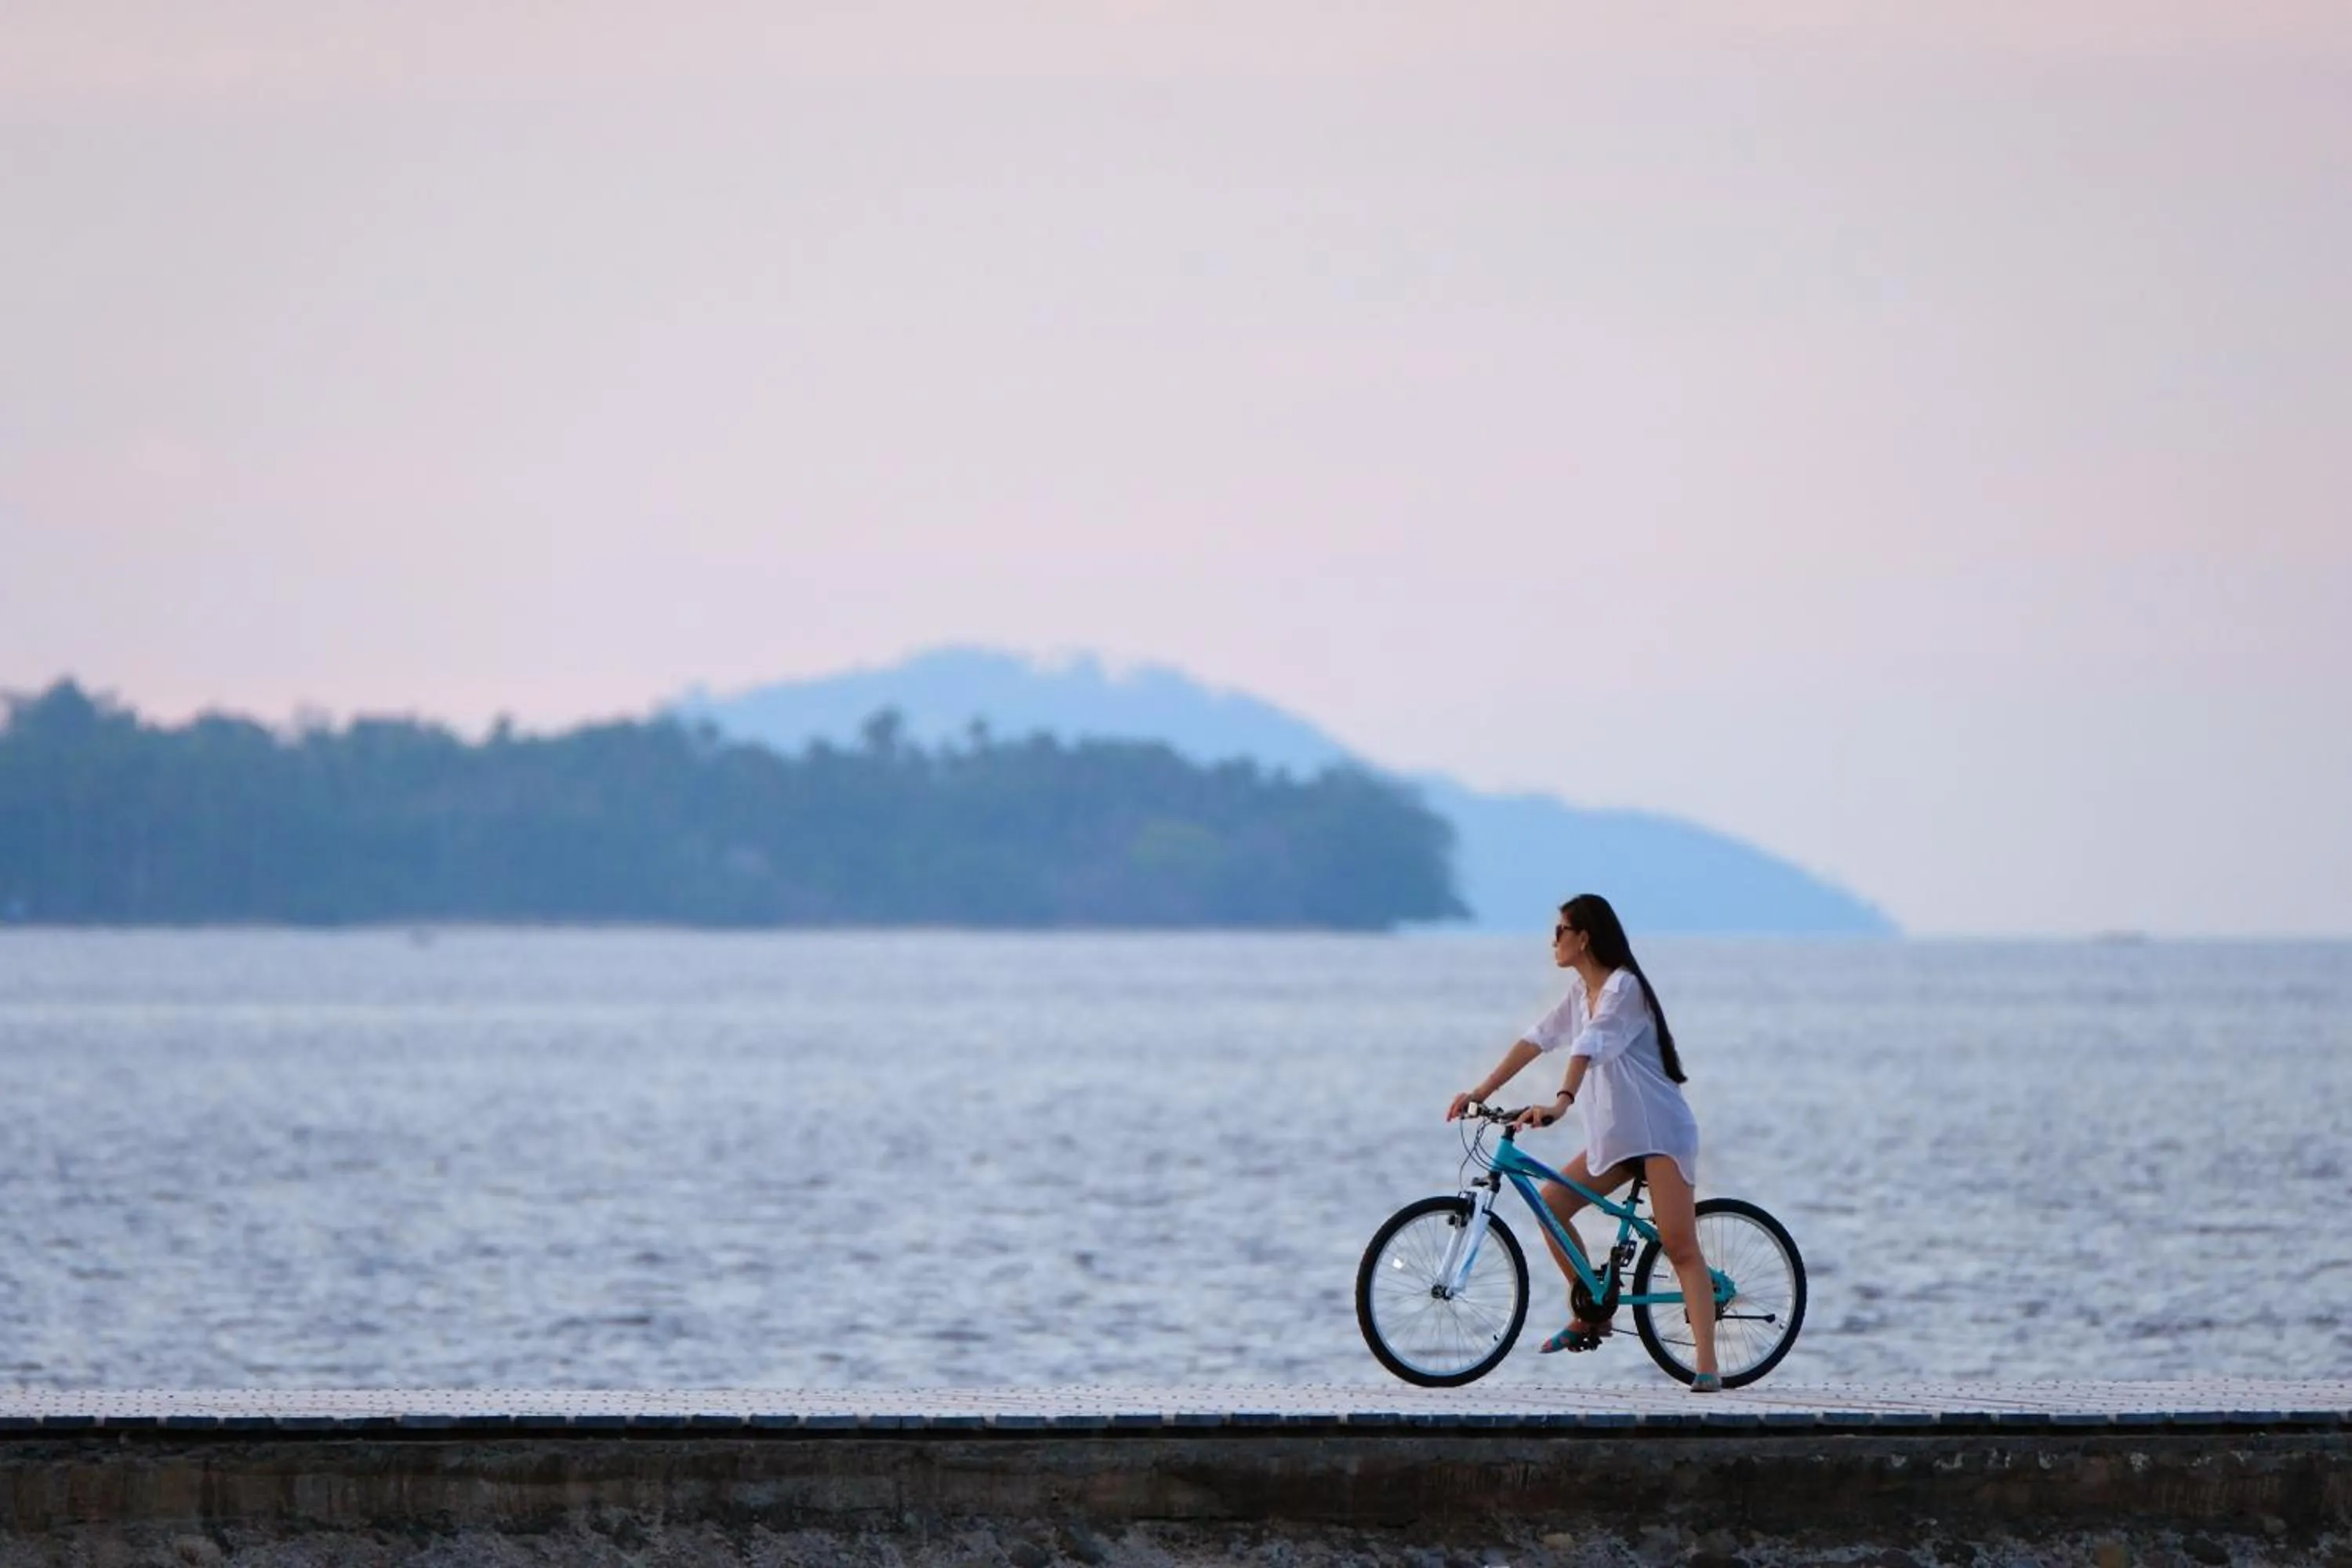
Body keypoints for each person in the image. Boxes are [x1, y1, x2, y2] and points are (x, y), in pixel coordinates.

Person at [1445, 893, 1722, 1392]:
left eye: (1560, 931)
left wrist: (1561, 1102)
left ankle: (1707, 1366)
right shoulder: (1580, 994)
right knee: (1551, 1205)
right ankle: (1591, 1309)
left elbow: (1588, 1045)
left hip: (1660, 1135)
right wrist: (1479, 1093)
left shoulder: (1624, 989)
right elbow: (1535, 1040)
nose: (1552, 941)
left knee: (1679, 1245)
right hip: (1618, 1136)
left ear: (1584, 938)